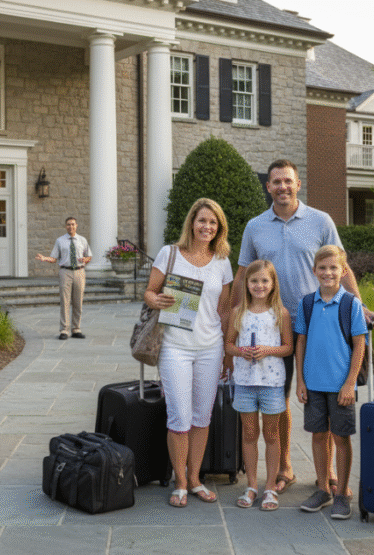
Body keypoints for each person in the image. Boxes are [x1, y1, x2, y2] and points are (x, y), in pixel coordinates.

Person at [233, 159, 374, 499]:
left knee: (327, 395)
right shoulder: (255, 226)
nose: (282, 187)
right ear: (268, 187)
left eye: (288, 181)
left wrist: (360, 305)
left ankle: (327, 472)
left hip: (321, 325)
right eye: (276, 182)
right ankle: (284, 465)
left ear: (298, 184)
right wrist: (230, 314)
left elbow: (341, 268)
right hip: (274, 328)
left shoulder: (320, 220)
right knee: (278, 399)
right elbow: (242, 273)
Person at [144, 198, 233, 508]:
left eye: (213, 222)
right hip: (174, 347)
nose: (207, 227)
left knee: (201, 417)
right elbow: (149, 291)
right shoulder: (170, 254)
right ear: (191, 223)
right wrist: (154, 301)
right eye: (202, 221)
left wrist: (227, 353)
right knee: (179, 417)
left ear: (218, 227)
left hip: (210, 347)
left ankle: (195, 479)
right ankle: (179, 481)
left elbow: (224, 310)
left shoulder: (222, 261)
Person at [295, 245, 367, 519]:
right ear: (314, 271)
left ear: (343, 271)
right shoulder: (306, 303)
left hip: (341, 388)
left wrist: (350, 383)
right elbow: (301, 341)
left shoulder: (351, 304)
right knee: (318, 435)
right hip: (313, 384)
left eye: (333, 267)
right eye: (322, 268)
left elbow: (359, 345)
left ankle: (342, 493)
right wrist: (300, 380)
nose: (328, 272)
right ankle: (323, 489)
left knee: (341, 437)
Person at [224, 259, 293, 511]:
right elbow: (228, 345)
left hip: (272, 383)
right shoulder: (238, 312)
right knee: (250, 434)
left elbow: (288, 347)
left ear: (273, 284)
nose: (259, 285)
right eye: (254, 281)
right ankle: (252, 485)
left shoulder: (281, 313)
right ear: (246, 283)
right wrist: (241, 352)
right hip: (244, 382)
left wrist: (267, 350)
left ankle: (271, 487)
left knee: (272, 435)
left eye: (265, 281)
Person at [35, 217, 92, 340]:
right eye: (68, 225)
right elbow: (54, 258)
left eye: (72, 224)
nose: (70, 226)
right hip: (65, 272)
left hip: (79, 272)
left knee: (78, 302)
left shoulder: (82, 240)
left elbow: (89, 256)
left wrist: (86, 260)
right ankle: (64, 330)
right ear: (65, 226)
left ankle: (76, 329)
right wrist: (45, 258)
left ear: (76, 225)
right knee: (65, 302)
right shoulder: (60, 241)